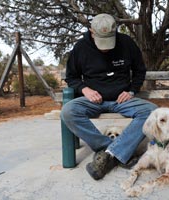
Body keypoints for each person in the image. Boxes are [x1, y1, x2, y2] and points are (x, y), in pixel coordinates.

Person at [61, 13, 157, 180]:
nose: (105, 48)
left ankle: (108, 155)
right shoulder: (81, 48)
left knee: (152, 112)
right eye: (101, 42)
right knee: (68, 112)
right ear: (91, 32)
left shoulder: (127, 43)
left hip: (123, 100)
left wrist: (132, 91)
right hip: (93, 100)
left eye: (109, 41)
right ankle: (113, 150)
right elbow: (71, 77)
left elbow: (140, 71)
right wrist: (85, 90)